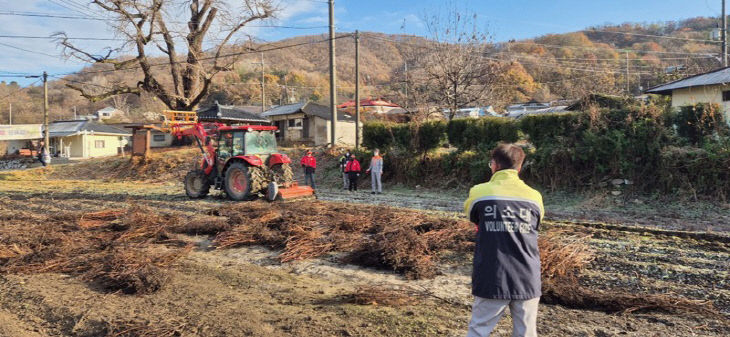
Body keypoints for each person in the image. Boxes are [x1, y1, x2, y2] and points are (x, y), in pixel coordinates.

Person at [463, 143, 544, 337]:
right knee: (526, 333)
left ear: (494, 165)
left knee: (478, 330)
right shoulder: (534, 196)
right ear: (519, 167)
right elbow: (536, 225)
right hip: (527, 277)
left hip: (492, 274)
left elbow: (472, 217)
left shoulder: (479, 193)